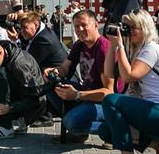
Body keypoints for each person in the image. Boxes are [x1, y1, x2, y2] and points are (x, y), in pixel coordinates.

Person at [98, 10, 159, 154]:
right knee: (106, 131)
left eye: (132, 27)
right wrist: (113, 46)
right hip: (155, 113)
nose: (127, 31)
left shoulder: (151, 49)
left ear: (145, 28)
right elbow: (108, 73)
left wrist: (121, 46)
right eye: (125, 27)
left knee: (111, 100)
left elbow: (129, 76)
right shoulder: (136, 51)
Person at [47, 9, 113, 144]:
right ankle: (79, 132)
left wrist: (77, 95)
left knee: (71, 122)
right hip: (86, 92)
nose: (80, 29)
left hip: (106, 102)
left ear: (96, 25)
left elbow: (108, 92)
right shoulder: (79, 44)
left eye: (84, 25)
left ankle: (114, 130)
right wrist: (54, 72)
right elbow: (65, 68)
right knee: (51, 86)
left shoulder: (103, 48)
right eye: (76, 26)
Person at [0, 38, 46, 139]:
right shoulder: (3, 51)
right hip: (18, 95)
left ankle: (5, 127)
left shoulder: (20, 64)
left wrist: (10, 108)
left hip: (33, 106)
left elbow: (34, 97)